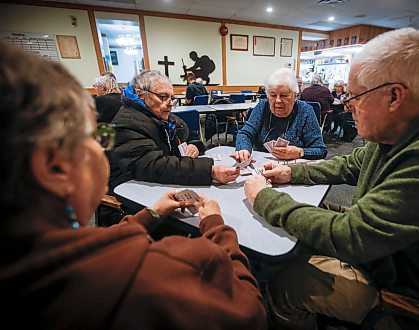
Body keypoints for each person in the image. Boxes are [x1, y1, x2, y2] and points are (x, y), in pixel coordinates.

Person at [243, 27, 419, 329]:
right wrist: (293, 171)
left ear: (394, 95)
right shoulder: (416, 119)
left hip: (416, 292)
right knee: (305, 223)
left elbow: (351, 236)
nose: (348, 107)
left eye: (354, 98)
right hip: (398, 251)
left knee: (285, 282)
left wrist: (264, 198)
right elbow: (352, 164)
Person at [0, 42, 267, 329]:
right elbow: (250, 311)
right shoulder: (144, 276)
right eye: (96, 136)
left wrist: (149, 215)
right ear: (52, 167)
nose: (104, 147)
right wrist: (216, 226)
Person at [108, 70, 240, 197]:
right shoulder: (126, 124)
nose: (170, 104)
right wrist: (210, 171)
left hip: (165, 183)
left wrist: (194, 146)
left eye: (172, 98)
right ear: (141, 94)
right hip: (131, 195)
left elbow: (190, 137)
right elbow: (154, 165)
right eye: (163, 97)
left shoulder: (161, 116)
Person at [233, 68, 327, 162]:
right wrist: (243, 149)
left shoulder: (305, 111)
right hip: (260, 164)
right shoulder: (262, 106)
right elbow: (245, 133)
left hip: (292, 168)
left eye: (284, 95)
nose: (278, 100)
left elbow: (320, 150)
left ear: (294, 96)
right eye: (273, 95)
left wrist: (300, 152)